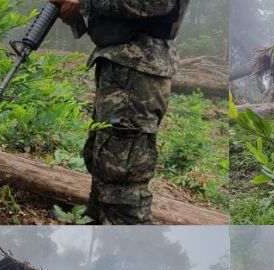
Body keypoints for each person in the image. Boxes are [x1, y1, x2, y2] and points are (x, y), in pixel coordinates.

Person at [50, 0, 191, 224]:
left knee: (123, 176)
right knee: (103, 153)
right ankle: (95, 215)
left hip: (137, 66)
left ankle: (130, 236)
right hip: (123, 63)